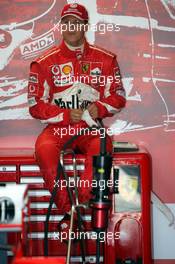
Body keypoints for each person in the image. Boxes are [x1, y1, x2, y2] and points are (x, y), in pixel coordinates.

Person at [28, 3, 126, 216]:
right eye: (66, 23)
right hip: (59, 128)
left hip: (89, 128)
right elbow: (35, 106)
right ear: (61, 26)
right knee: (44, 148)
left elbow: (119, 97)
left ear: (85, 26)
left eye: (76, 23)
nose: (71, 28)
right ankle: (69, 212)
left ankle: (81, 206)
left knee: (102, 145)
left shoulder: (106, 59)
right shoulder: (44, 62)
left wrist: (99, 108)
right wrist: (64, 115)